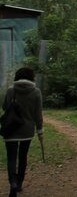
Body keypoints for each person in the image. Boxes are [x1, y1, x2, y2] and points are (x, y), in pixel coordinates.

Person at [2, 68, 43, 196]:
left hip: (11, 128)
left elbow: (4, 107)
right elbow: (38, 114)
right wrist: (40, 131)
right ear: (31, 77)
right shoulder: (36, 92)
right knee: (23, 156)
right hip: (27, 130)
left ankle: (12, 182)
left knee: (11, 157)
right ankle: (19, 183)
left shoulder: (10, 90)